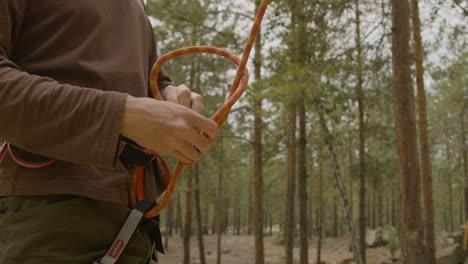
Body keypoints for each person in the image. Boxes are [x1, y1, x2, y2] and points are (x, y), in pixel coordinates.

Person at [0, 0, 219, 263]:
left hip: (136, 222)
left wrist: (167, 93)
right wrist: (122, 115)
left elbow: (139, 77)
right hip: (50, 215)